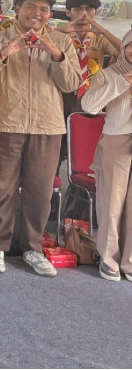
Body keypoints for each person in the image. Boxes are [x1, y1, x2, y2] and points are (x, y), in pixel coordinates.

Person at [0, 0, 81, 276]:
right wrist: (6, 53)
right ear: (17, 9)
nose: (37, 14)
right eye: (30, 7)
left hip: (47, 126)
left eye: (44, 9)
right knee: (1, 187)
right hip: (4, 122)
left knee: (40, 191)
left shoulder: (62, 42)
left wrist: (56, 54)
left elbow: (71, 84)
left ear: (50, 14)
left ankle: (32, 248)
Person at [80, 29, 132, 282]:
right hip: (117, 140)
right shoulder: (108, 74)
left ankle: (130, 261)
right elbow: (89, 106)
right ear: (124, 47)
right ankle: (109, 258)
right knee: (112, 202)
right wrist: (124, 82)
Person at [59, 0, 120, 112]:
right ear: (68, 12)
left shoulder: (100, 39)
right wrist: (59, 30)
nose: (83, 14)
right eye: (77, 9)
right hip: (63, 93)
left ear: (95, 12)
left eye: (89, 9)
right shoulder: (60, 37)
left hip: (93, 94)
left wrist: (104, 32)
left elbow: (125, 53)